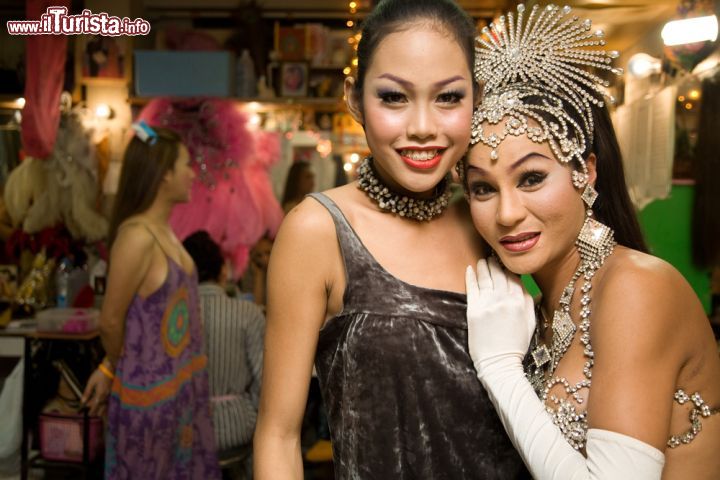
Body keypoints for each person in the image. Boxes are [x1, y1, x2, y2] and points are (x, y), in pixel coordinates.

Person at [254, 1, 526, 478]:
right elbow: (278, 434)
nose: (422, 127)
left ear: (476, 99)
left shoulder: (492, 219)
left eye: (448, 98)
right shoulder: (318, 230)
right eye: (394, 98)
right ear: (354, 98)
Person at [462, 4, 720, 479]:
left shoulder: (637, 288)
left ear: (586, 171)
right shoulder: (536, 308)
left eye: (532, 177)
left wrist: (498, 367)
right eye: (482, 187)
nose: (507, 212)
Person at [81, 122, 220, 479]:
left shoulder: (164, 232)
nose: (192, 174)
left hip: (180, 394)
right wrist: (117, 368)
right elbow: (111, 321)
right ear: (163, 174)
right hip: (151, 401)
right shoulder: (136, 237)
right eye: (186, 165)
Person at [182, 230, 265, 452]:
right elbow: (264, 381)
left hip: (184, 430)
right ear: (222, 271)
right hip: (238, 426)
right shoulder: (248, 313)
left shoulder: (170, 317)